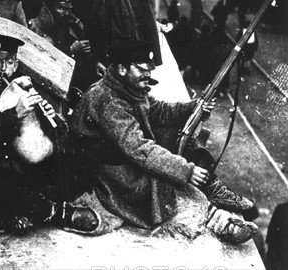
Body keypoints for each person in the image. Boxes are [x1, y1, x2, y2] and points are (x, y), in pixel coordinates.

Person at [70, 40, 256, 244]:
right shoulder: (109, 101)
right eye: (142, 69)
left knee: (177, 138)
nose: (148, 74)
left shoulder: (125, 87)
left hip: (120, 157)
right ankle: (218, 221)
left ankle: (211, 188)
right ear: (122, 69)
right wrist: (185, 171)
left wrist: (194, 107)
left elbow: (158, 111)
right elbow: (139, 149)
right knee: (165, 187)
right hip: (109, 173)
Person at [0, 33, 114, 236]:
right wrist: (14, 115)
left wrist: (52, 121)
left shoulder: (27, 90)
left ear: (15, 65)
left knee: (81, 159)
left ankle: (21, 211)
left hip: (25, 168)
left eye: (10, 62)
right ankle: (58, 213)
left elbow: (46, 142)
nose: (4, 69)